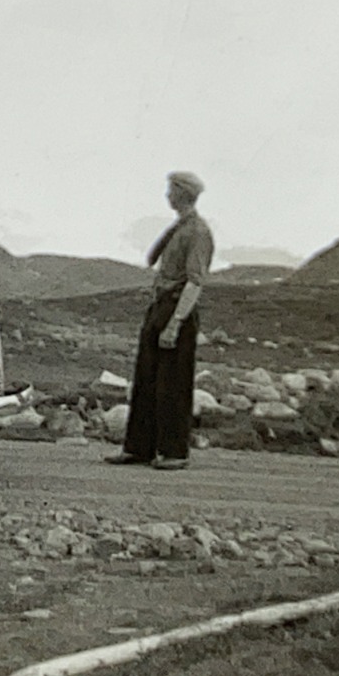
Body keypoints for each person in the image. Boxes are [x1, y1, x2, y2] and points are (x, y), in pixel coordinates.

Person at [106, 171, 214, 470]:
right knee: (147, 378)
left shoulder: (198, 232)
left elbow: (195, 281)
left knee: (173, 383)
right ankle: (139, 447)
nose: (167, 195)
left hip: (176, 306)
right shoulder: (180, 227)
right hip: (160, 305)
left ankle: (174, 451)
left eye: (171, 190)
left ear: (182, 192)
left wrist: (175, 322)